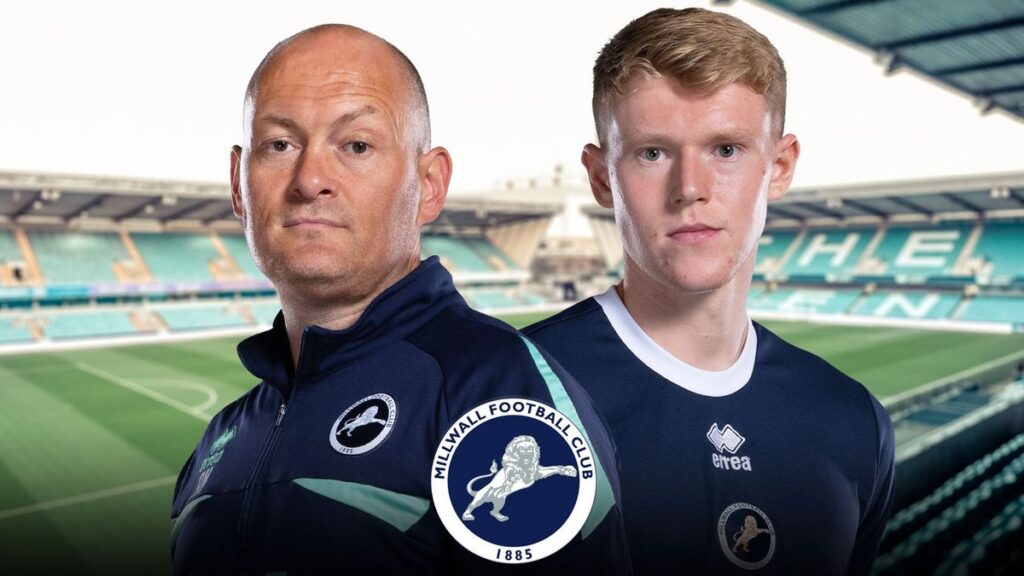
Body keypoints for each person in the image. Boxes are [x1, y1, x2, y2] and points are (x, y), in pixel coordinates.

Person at [170, 24, 631, 575]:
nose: (310, 177)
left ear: (430, 185)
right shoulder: (220, 440)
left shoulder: (500, 392)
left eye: (357, 145)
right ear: (238, 185)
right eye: (280, 145)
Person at [523, 8, 895, 575]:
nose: (690, 189)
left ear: (779, 166)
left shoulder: (854, 422)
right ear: (602, 177)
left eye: (726, 150)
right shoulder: (510, 385)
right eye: (653, 152)